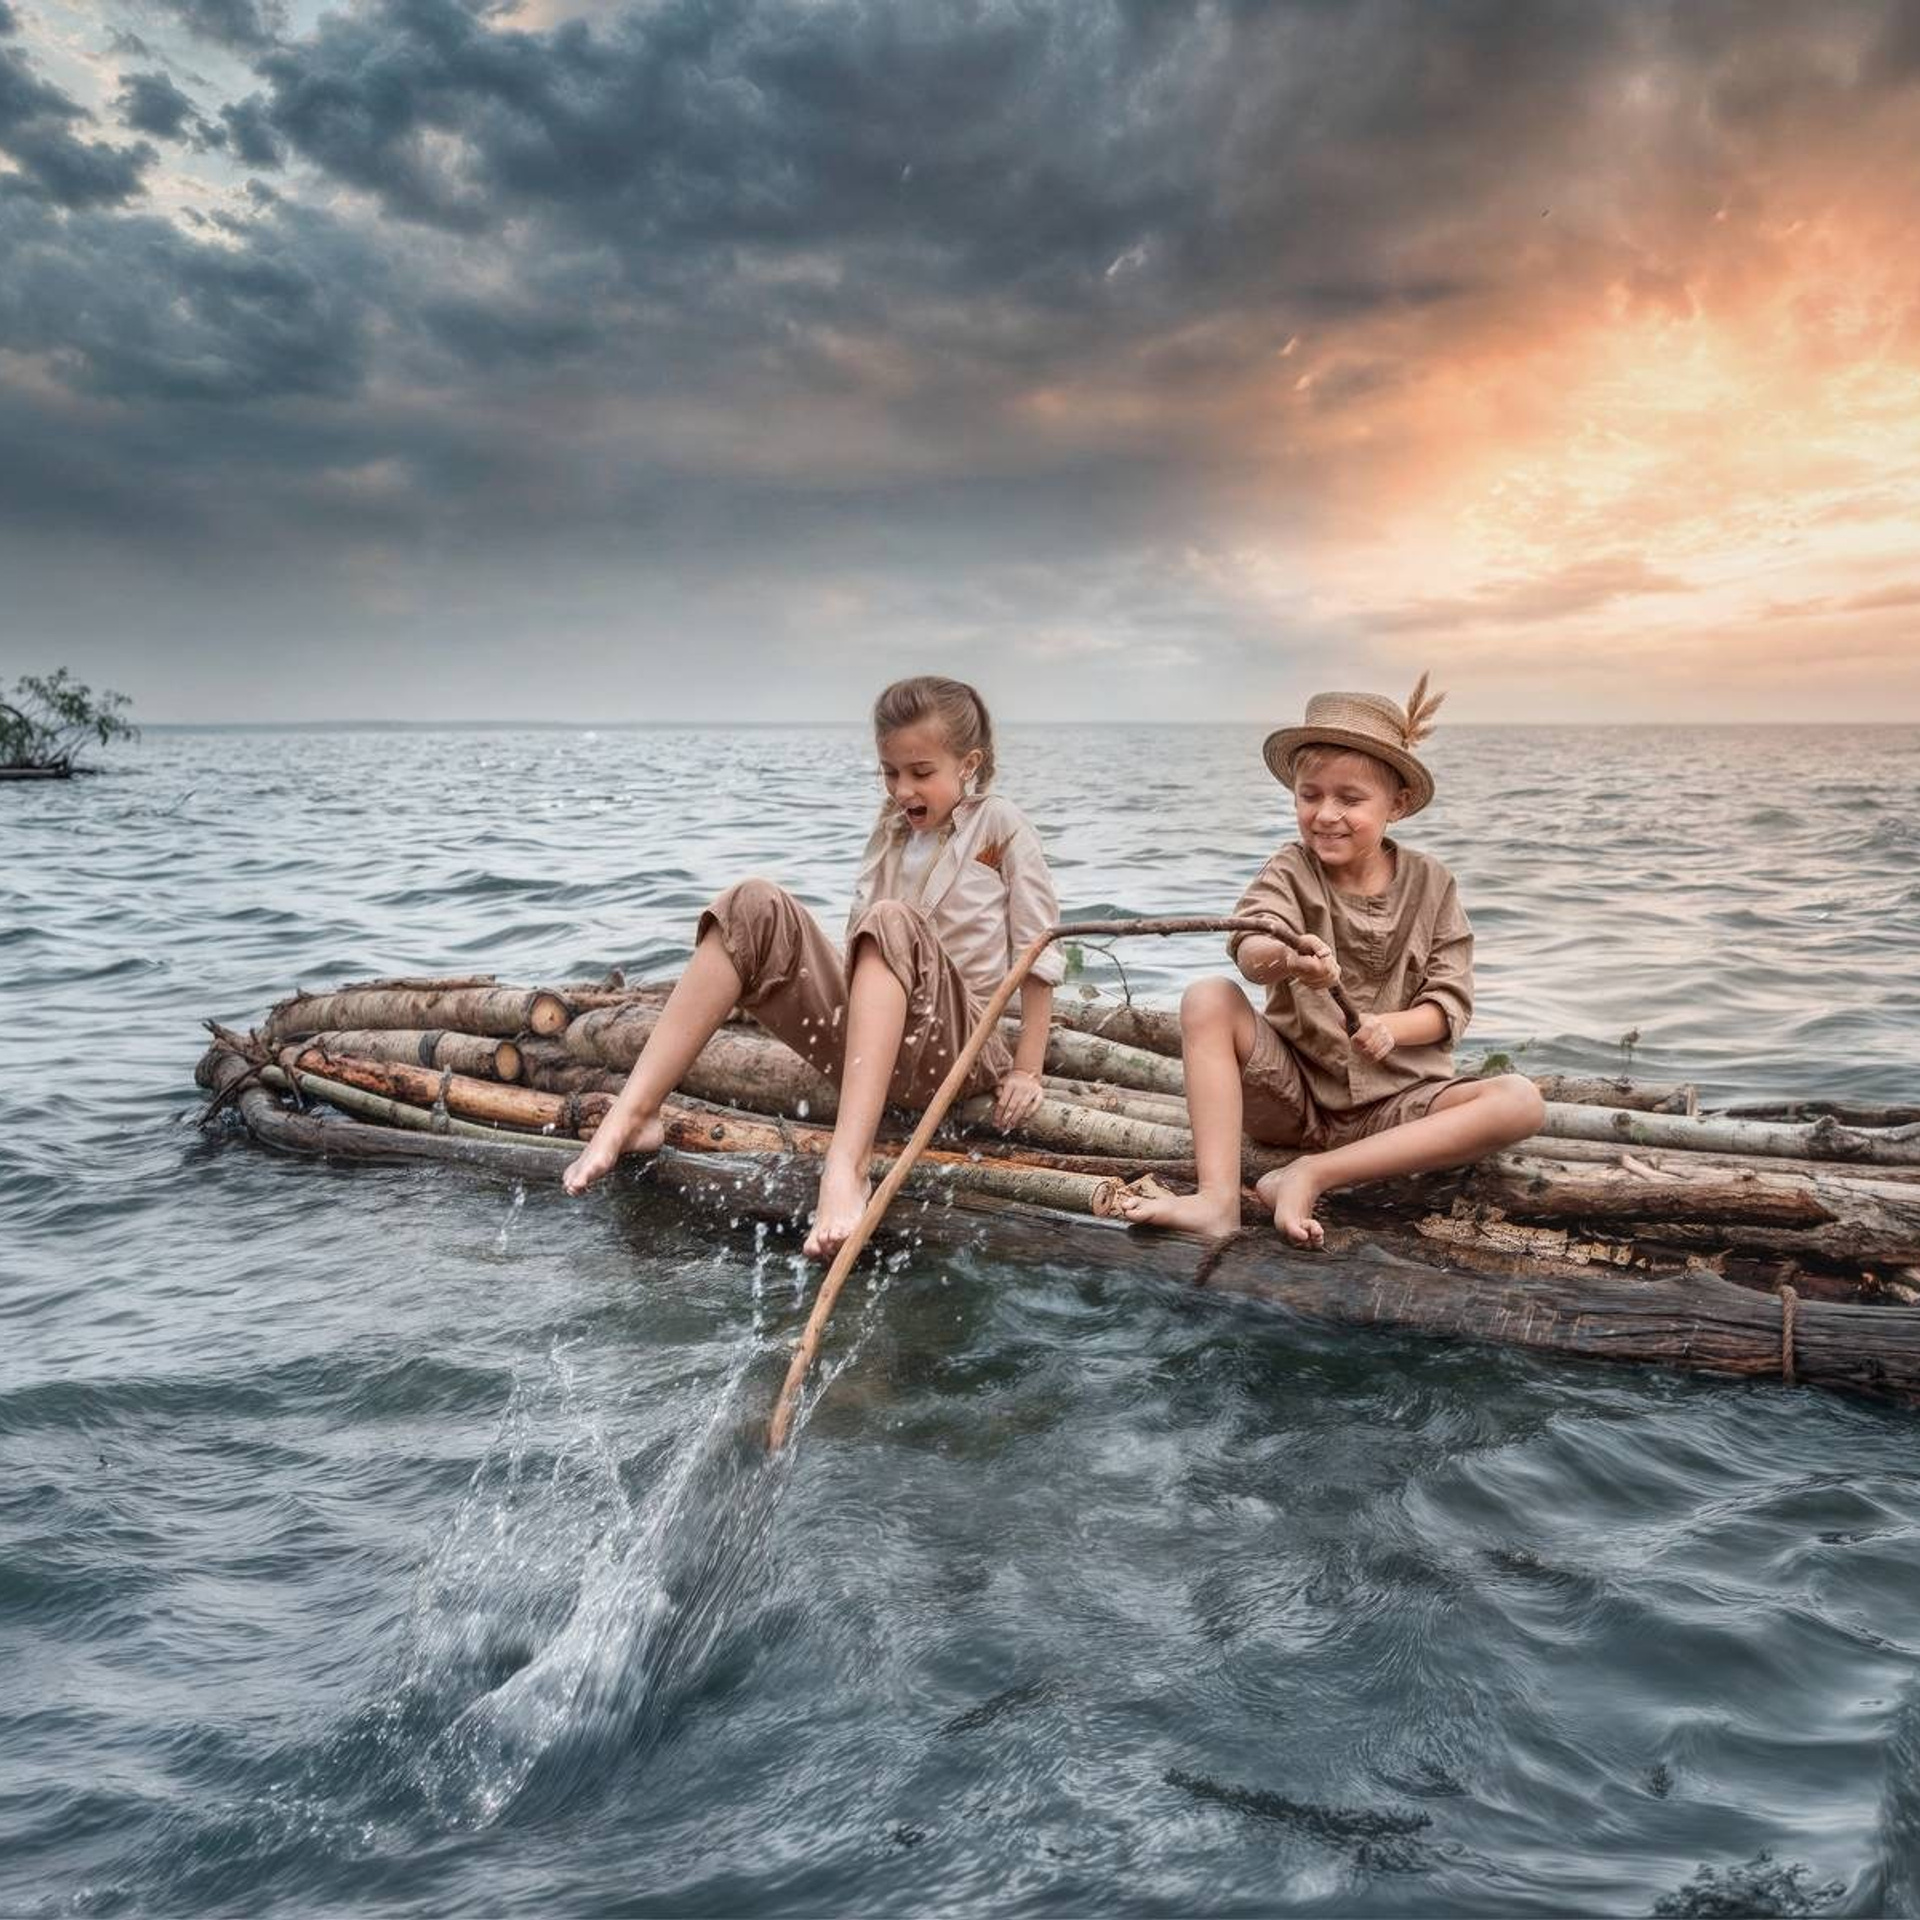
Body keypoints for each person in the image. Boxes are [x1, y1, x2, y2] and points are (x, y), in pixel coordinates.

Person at [563, 676, 1065, 1258]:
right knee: (749, 904)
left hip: (959, 1049)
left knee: (890, 921)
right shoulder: (890, 830)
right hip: (873, 1047)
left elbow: (1039, 949)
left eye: (921, 772)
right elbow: (861, 950)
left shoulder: (999, 826)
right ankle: (634, 1113)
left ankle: (845, 1169)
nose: (903, 789)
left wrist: (1027, 1070)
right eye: (890, 772)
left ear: (968, 763)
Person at [1116, 676, 1544, 1246]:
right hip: (1295, 1097)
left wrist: (1390, 1029)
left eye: (1349, 799)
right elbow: (1251, 947)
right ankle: (1216, 1200)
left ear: (1399, 804)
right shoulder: (1291, 869)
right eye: (1309, 795)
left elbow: (1449, 1004)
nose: (1325, 814)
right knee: (1207, 996)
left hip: (1400, 1104)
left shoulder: (1433, 884)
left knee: (1519, 1101)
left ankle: (1312, 1172)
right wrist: (1290, 958)